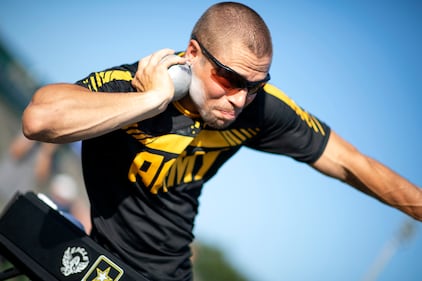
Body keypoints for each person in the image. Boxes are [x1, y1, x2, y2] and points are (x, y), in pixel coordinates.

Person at [21, 2, 421, 281]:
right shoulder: (133, 85)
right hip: (101, 259)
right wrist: (151, 100)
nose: (239, 99)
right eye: (229, 79)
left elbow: (354, 164)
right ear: (192, 53)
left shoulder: (260, 109)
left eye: (256, 85)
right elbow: (39, 118)